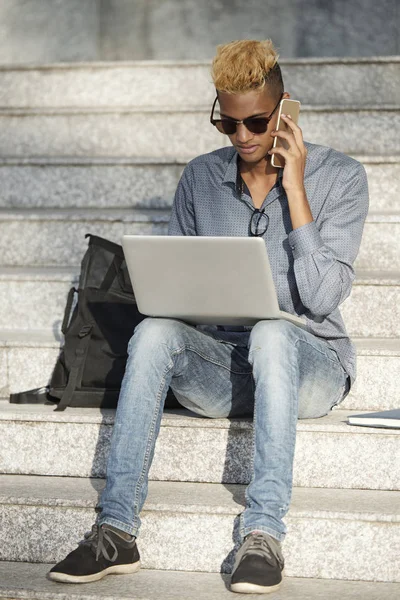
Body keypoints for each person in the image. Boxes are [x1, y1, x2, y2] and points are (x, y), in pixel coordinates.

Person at [47, 39, 369, 594]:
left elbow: (321, 298)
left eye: (257, 122)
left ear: (286, 109)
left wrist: (295, 189)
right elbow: (178, 290)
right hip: (224, 367)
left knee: (273, 331)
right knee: (153, 332)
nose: (242, 137)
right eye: (228, 124)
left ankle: (263, 533)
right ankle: (116, 529)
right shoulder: (201, 178)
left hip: (310, 367)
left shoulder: (342, 178)